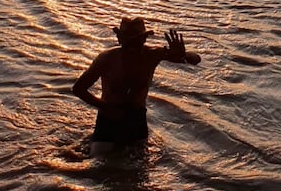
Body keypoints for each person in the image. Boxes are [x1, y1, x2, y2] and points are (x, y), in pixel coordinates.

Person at [72, 17, 201, 155]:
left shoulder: (152, 55)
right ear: (119, 40)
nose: (132, 47)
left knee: (140, 167)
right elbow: (78, 88)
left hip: (137, 119)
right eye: (128, 42)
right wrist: (106, 107)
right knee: (99, 164)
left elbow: (195, 59)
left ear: (144, 39)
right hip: (108, 119)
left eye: (137, 41)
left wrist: (184, 54)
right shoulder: (107, 58)